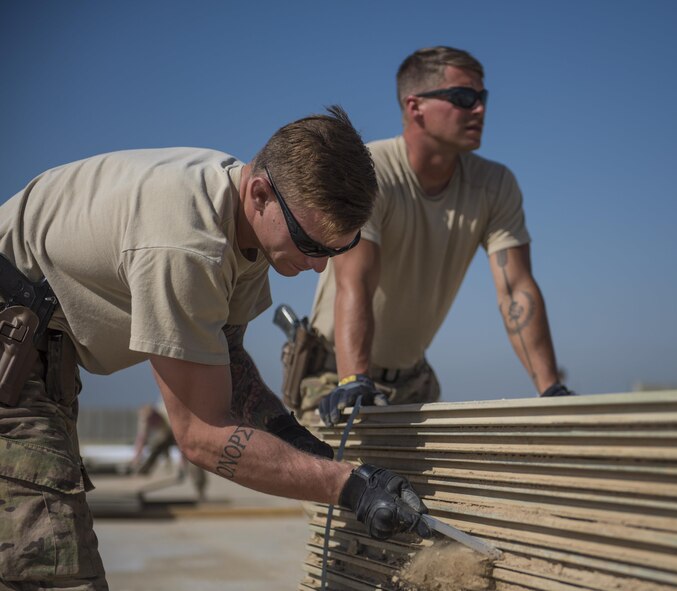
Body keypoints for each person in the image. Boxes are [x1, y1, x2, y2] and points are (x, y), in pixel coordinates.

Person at [0, 106, 430, 590]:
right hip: (11, 337)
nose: (318, 268)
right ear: (261, 192)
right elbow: (201, 435)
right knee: (52, 565)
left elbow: (228, 362)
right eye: (311, 244)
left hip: (34, 344)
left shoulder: (250, 227)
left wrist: (302, 446)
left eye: (336, 250)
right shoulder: (187, 246)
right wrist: (347, 485)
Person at [289, 48, 573, 428]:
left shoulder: (495, 185)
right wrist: (354, 379)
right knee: (346, 485)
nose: (480, 110)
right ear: (415, 106)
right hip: (336, 377)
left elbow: (515, 289)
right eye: (464, 98)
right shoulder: (369, 174)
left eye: (482, 98)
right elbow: (355, 282)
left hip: (413, 380)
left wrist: (551, 390)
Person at [130, 399, 208, 501]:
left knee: (193, 458)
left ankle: (200, 490)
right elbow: (141, 439)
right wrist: (136, 458)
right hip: (166, 433)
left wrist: (182, 463)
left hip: (180, 431)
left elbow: (184, 442)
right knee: (155, 446)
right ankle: (140, 476)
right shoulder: (146, 418)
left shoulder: (170, 413)